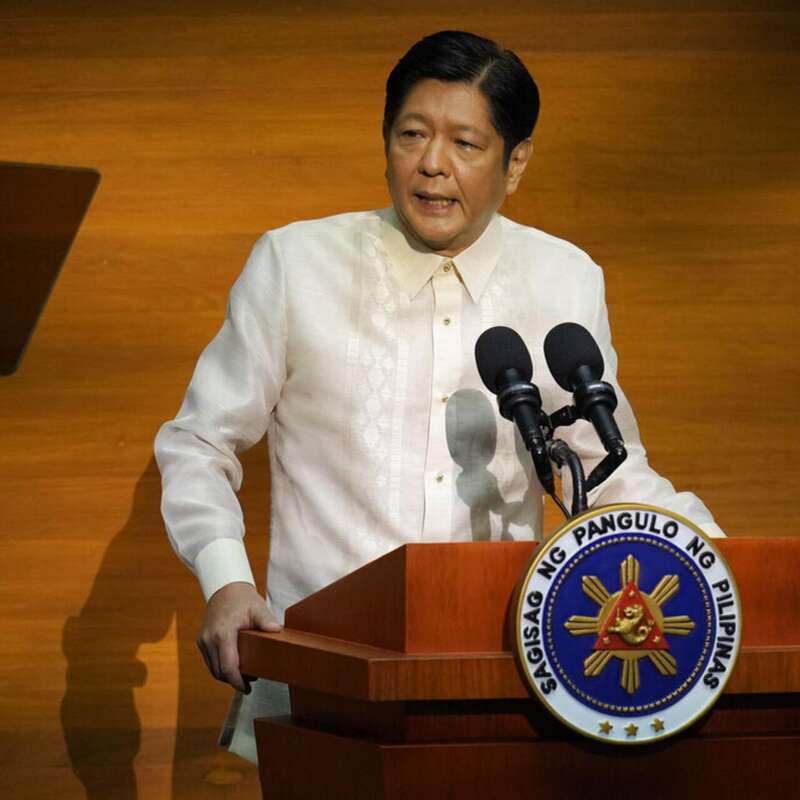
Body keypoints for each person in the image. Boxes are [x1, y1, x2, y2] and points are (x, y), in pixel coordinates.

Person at [154, 30, 724, 764]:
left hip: (502, 679)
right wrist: (225, 580)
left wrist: (727, 564)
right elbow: (198, 442)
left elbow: (604, 472)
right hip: (325, 676)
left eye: (465, 143)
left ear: (516, 163)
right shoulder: (297, 266)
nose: (432, 164)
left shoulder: (564, 279)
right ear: (385, 140)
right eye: (412, 134)